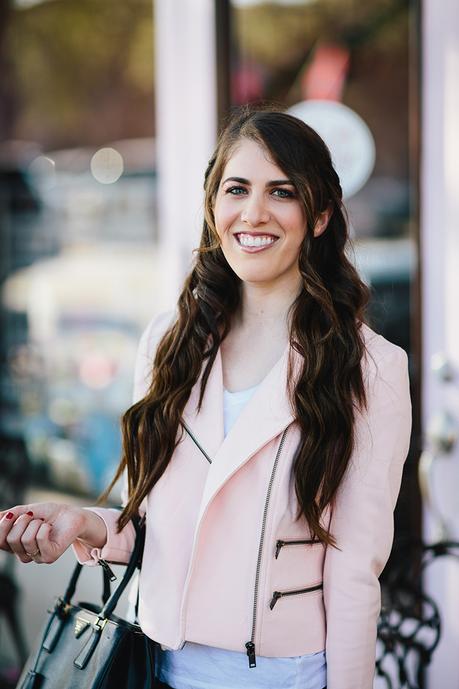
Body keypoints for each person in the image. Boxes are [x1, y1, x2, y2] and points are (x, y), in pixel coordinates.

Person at [0, 106, 412, 689]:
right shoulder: (170, 342)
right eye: (236, 189)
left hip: (285, 676)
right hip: (158, 666)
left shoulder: (371, 367)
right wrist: (82, 523)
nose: (254, 213)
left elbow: (354, 574)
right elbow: (152, 527)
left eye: (282, 192)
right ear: (213, 206)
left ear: (320, 216)